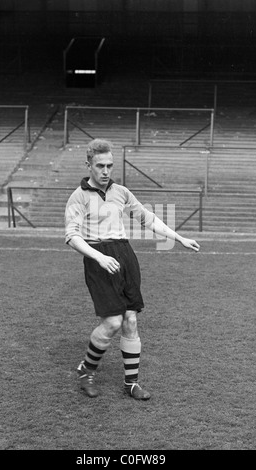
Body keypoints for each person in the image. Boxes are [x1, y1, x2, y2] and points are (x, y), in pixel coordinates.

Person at [65, 138, 200, 400]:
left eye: (110, 166)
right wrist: (98, 257)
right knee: (113, 321)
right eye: (100, 165)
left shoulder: (121, 192)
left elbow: (148, 219)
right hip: (98, 257)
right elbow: (72, 236)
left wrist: (179, 238)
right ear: (88, 165)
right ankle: (86, 370)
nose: (106, 171)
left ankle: (131, 383)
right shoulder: (78, 196)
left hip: (125, 256)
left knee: (131, 319)